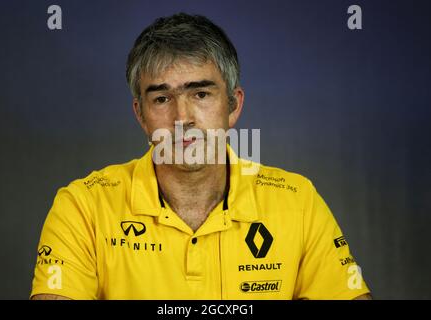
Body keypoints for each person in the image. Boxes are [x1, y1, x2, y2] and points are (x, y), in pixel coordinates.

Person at [30, 13, 371, 300]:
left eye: (201, 93)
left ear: (234, 105)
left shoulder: (298, 203)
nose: (182, 119)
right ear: (140, 114)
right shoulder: (82, 207)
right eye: (162, 99)